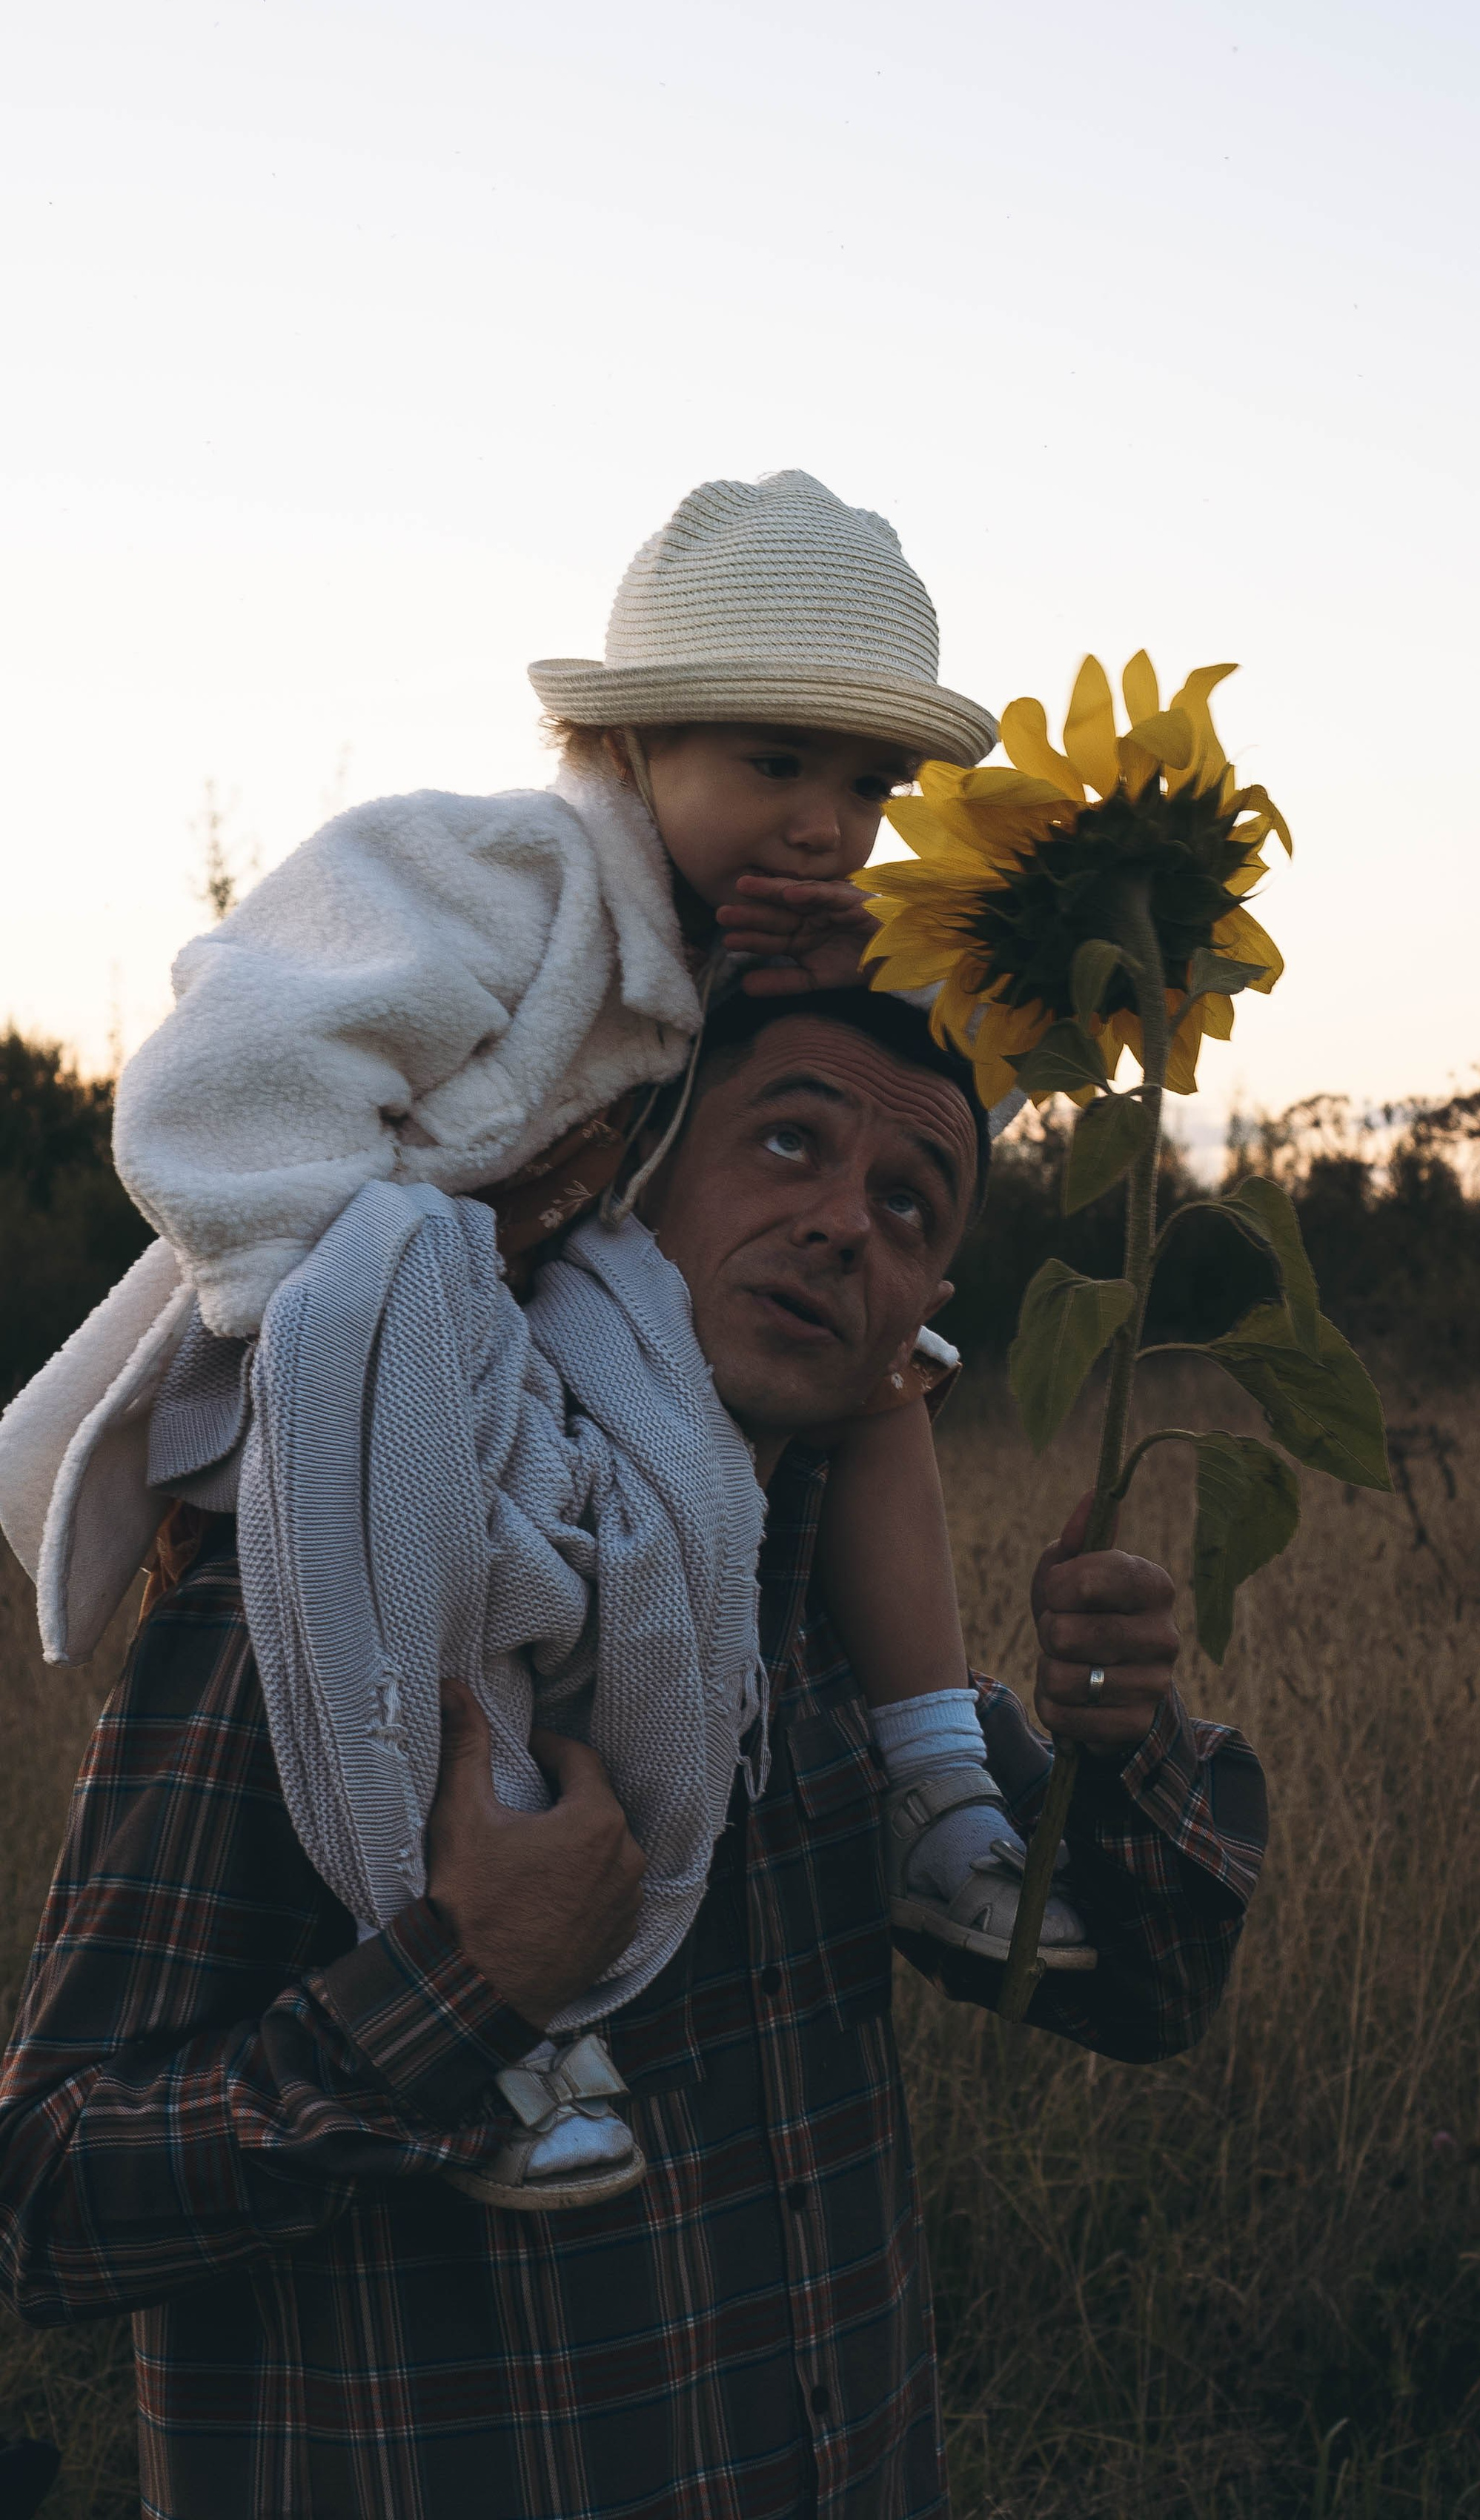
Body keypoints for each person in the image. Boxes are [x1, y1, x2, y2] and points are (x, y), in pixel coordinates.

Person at [0, 989, 1267, 2520]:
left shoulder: (838, 1648)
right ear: (639, 1177)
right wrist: (467, 1990)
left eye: (905, 1202)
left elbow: (1150, 1999)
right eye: (787, 1142)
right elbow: (49, 2196)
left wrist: (1117, 1746)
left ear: (919, 1310)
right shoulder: (346, 1592)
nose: (839, 1225)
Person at [0, 471, 1092, 2215]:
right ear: (638, 741)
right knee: (455, 1578)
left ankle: (934, 1778)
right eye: (773, 762)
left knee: (894, 1363)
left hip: (552, 1334)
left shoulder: (744, 954)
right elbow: (225, 1088)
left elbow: (886, 1089)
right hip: (348, 1331)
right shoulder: (492, 874)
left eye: (869, 785)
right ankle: (494, 1997)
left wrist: (864, 956)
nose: (825, 826)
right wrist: (371, 1318)